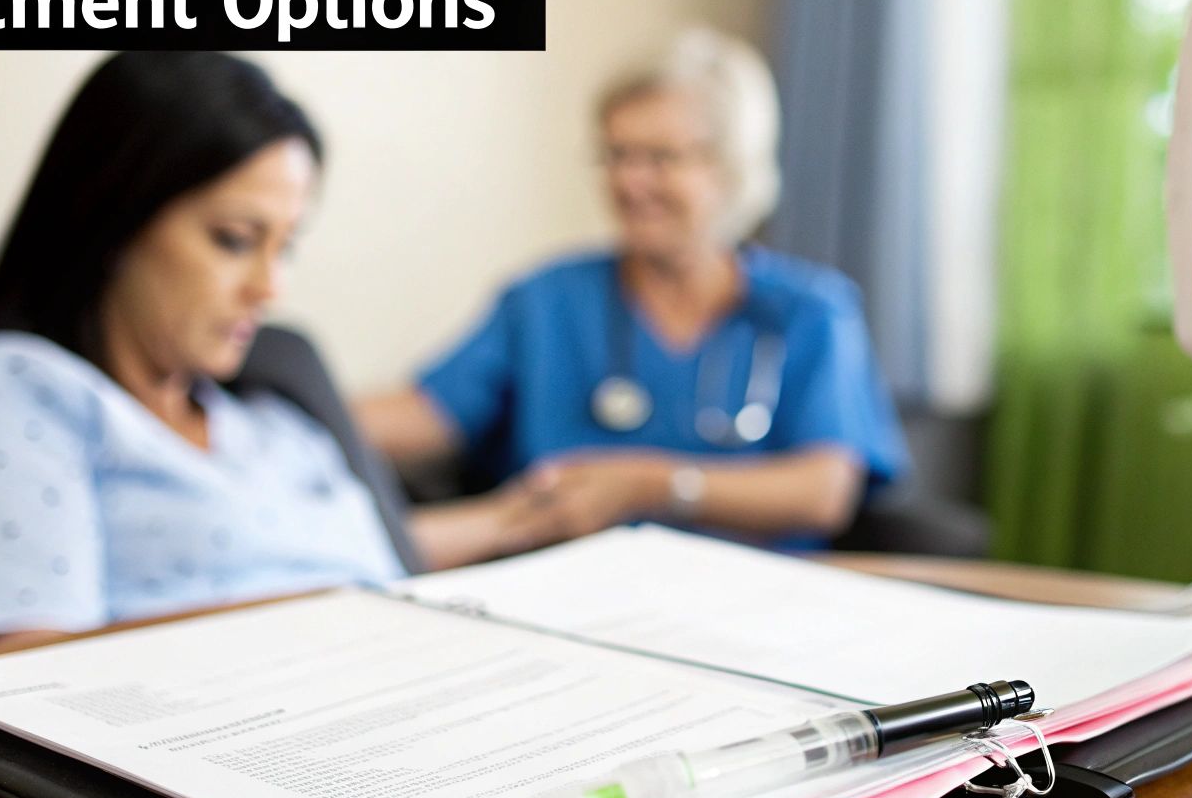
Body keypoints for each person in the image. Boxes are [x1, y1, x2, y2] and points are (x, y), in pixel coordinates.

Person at [0, 52, 534, 658]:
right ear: (114, 218)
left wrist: (522, 519)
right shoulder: (6, 391)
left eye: (286, 246)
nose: (270, 288)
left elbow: (390, 570)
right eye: (236, 240)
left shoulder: (278, 423)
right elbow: (23, 704)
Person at [359, 29, 907, 553]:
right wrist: (289, 407)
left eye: (659, 158)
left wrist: (651, 486)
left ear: (730, 167)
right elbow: (428, 413)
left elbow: (823, 492)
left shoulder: (808, 312)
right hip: (566, 595)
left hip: (757, 604)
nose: (629, 182)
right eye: (616, 155)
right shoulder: (547, 300)